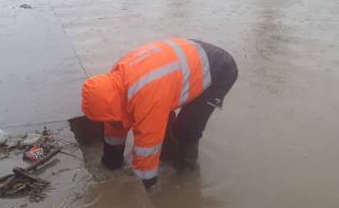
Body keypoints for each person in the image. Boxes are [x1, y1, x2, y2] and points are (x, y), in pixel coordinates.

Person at [81, 38, 238, 189]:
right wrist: (111, 162)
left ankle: (187, 171)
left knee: (187, 128)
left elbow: (148, 143)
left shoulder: (147, 96)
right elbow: (115, 124)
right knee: (158, 114)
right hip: (187, 55)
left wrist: (145, 185)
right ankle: (170, 153)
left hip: (219, 69)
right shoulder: (113, 84)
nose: (109, 120)